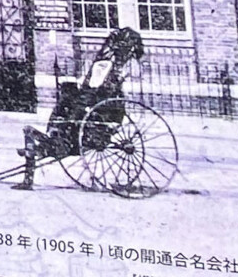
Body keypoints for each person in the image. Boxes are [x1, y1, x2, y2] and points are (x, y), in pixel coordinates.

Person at [15, 27, 144, 189]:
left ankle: (41, 157)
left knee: (67, 102)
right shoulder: (111, 66)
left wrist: (79, 103)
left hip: (97, 116)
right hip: (100, 111)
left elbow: (93, 90)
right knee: (66, 101)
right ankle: (45, 147)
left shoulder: (106, 66)